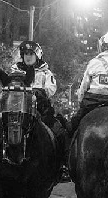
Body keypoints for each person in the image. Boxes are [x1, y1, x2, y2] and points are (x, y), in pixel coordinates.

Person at [13, 40, 69, 178]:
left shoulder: (46, 73)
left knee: (60, 132)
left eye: (31, 53)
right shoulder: (14, 71)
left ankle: (63, 166)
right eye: (25, 54)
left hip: (41, 109)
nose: (28, 56)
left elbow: (51, 88)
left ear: (37, 55)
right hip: (17, 109)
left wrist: (39, 92)